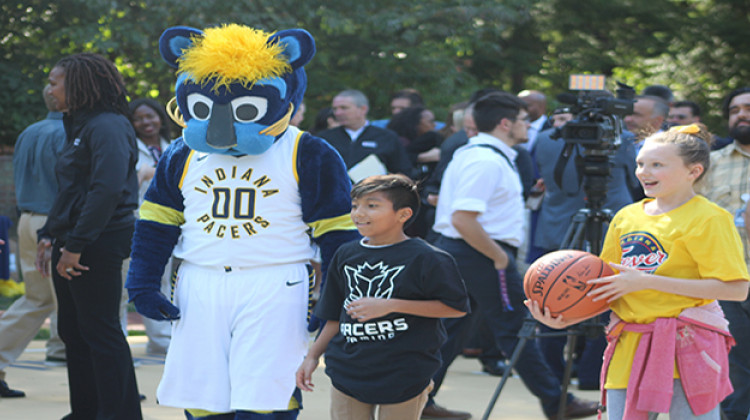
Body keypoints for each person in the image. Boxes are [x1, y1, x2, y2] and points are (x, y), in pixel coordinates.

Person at [530, 123, 750, 419]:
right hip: (630, 344)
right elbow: (607, 287)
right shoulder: (626, 216)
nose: (644, 172)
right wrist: (565, 319)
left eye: (657, 165)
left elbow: (735, 289)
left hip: (688, 344)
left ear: (693, 171)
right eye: (640, 163)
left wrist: (648, 281)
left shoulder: (711, 218)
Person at [425, 92, 599, 420]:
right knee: (514, 328)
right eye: (522, 120)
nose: (527, 125)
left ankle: (422, 400)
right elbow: (463, 219)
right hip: (479, 252)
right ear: (505, 124)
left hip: (469, 251)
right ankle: (556, 402)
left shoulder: (481, 154)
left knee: (451, 331)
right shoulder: (485, 160)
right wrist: (499, 258)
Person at [296, 174, 469, 420]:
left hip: (404, 372)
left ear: (403, 214)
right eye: (355, 205)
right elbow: (334, 314)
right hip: (348, 371)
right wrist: (313, 356)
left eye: (372, 205)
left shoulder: (429, 258)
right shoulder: (346, 254)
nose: (359, 213)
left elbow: (455, 307)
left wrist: (390, 305)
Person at [35, 53, 142, 419]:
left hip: (99, 239)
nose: (49, 89)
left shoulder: (107, 126)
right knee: (74, 332)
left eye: (54, 81)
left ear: (78, 84)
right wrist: (50, 234)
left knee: (100, 331)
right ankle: (87, 411)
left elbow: (106, 190)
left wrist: (76, 246)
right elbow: (71, 190)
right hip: (76, 238)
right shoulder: (78, 125)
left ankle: (120, 414)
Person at [0, 84, 68, 398]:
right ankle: (104, 382)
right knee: (76, 303)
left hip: (27, 220)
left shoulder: (29, 132)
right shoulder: (70, 133)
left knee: (36, 299)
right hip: (51, 225)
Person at [698, 87, 750, 420]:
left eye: (748, 108)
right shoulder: (707, 165)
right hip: (725, 280)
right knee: (734, 363)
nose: (741, 115)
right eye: (734, 110)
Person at [120, 97, 174, 355]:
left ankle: (161, 338)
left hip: (170, 224)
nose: (146, 122)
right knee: (136, 281)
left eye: (150, 116)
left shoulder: (173, 146)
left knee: (164, 280)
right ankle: (124, 340)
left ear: (161, 118)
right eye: (139, 118)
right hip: (139, 223)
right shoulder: (129, 148)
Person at [318, 89, 412, 177]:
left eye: (344, 108)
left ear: (363, 109)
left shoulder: (386, 137)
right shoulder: (324, 138)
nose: (338, 113)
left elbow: (403, 172)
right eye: (335, 109)